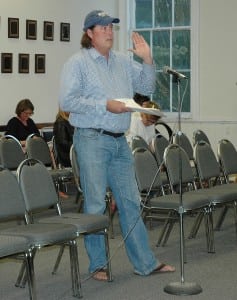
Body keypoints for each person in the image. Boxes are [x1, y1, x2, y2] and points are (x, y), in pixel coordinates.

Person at [59, 10, 175, 281]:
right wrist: (104, 104)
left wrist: (147, 59)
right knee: (96, 204)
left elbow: (147, 86)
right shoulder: (77, 63)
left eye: (111, 26)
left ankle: (144, 263)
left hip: (119, 142)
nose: (109, 31)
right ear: (89, 33)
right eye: (102, 27)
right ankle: (98, 264)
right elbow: (67, 102)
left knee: (131, 202)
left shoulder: (123, 61)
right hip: (91, 139)